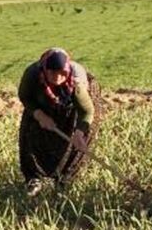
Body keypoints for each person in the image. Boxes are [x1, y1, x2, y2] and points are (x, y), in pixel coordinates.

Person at [17, 48, 101, 195]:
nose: (57, 78)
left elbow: (87, 111)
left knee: (74, 142)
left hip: (72, 105)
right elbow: (25, 97)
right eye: (52, 73)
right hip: (41, 102)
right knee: (30, 136)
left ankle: (64, 181)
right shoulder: (32, 75)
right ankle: (33, 179)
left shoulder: (76, 85)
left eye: (62, 73)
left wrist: (80, 132)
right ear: (44, 70)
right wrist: (38, 114)